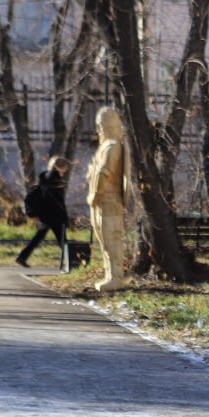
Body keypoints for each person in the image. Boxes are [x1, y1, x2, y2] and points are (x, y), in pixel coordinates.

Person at [87, 108, 129, 292]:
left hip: (109, 202)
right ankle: (109, 275)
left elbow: (104, 173)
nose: (98, 130)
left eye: (100, 125)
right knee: (104, 240)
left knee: (111, 239)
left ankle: (115, 277)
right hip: (101, 203)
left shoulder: (112, 146)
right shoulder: (106, 145)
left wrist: (95, 195)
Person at [16, 156, 71, 268]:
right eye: (64, 166)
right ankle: (72, 262)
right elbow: (55, 200)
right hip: (54, 215)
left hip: (46, 215)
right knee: (62, 240)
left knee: (38, 238)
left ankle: (22, 257)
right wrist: (62, 214)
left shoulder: (47, 177)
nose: (66, 169)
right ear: (60, 167)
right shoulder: (54, 178)